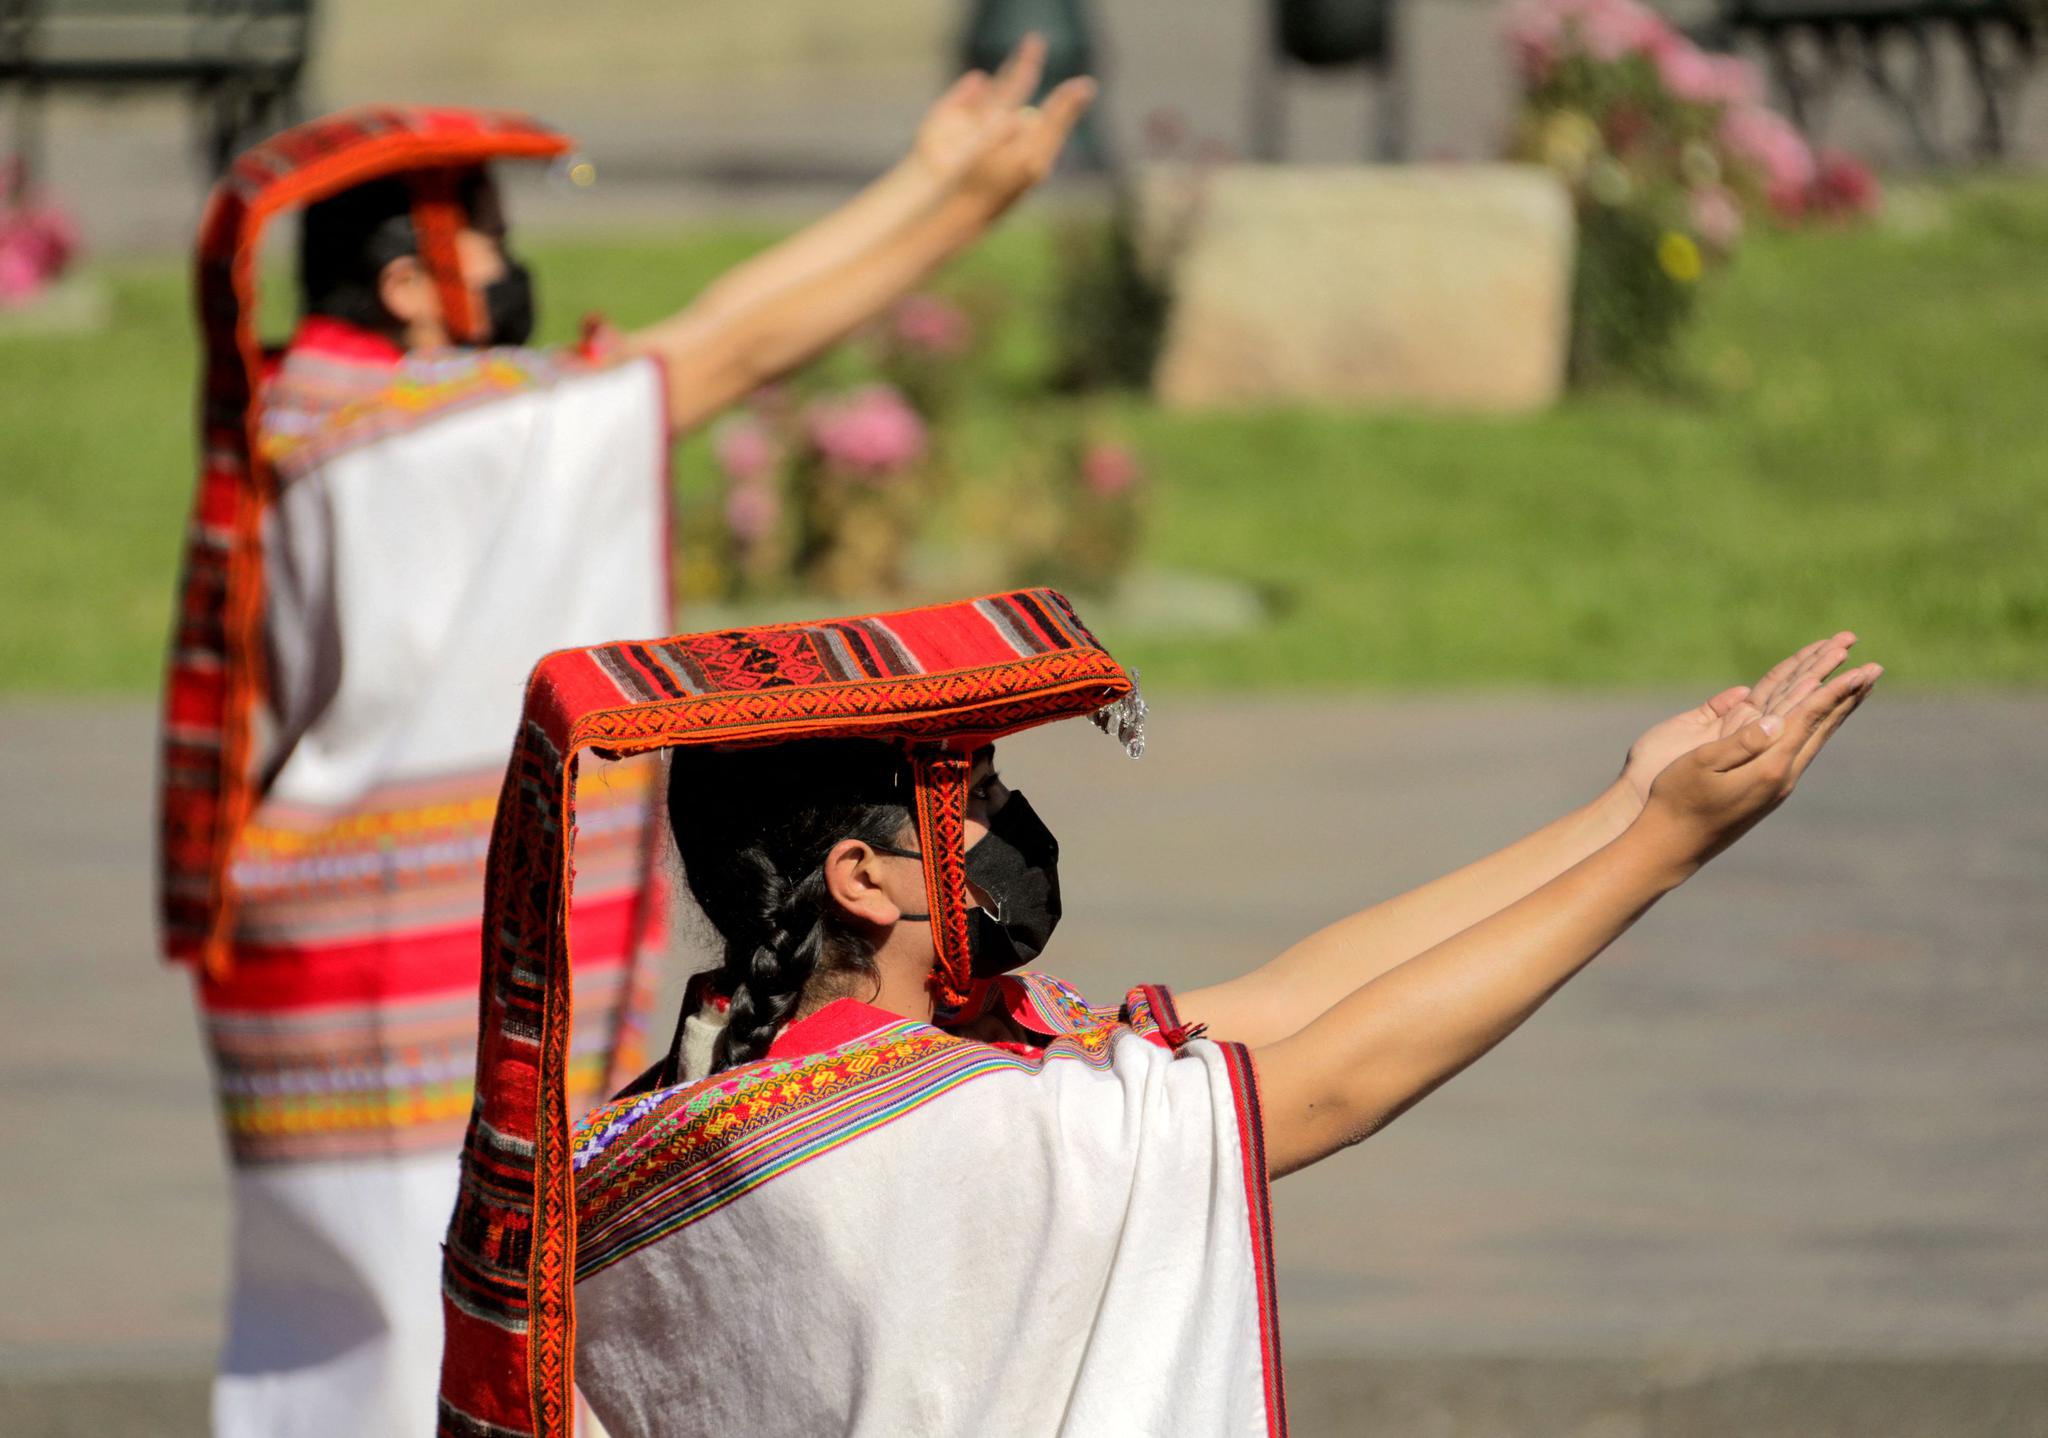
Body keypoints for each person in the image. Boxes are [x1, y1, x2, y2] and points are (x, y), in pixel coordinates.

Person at [159, 46, 1094, 1438]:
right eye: (484, 231)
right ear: (411, 280)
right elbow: (730, 345)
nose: (506, 259)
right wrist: (951, 195)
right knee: (441, 1322)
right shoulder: (417, 432)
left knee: (333, 1335)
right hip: (405, 952)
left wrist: (934, 182)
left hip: (311, 946)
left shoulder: (308, 408)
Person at [434, 590, 1878, 1437]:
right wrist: (1663, 854)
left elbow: (1292, 1002)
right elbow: (1330, 1077)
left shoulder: (685, 1114)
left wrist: (1624, 802)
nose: (1008, 820)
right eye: (973, 795)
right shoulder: (949, 1136)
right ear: (866, 877)